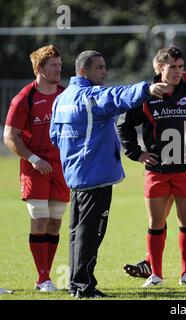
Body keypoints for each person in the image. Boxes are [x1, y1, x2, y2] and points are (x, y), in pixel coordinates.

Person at [50, 50, 167, 298]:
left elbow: (54, 136)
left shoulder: (62, 98)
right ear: (84, 71)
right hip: (95, 175)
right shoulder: (90, 96)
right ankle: (84, 287)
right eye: (99, 68)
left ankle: (77, 283)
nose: (105, 72)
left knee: (77, 231)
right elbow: (117, 96)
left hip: (76, 175)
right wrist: (147, 89)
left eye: (105, 67)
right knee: (91, 232)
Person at [116, 46, 186, 287]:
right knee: (156, 223)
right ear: (159, 68)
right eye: (172, 67)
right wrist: (137, 154)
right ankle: (155, 274)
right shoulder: (146, 95)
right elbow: (123, 126)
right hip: (157, 171)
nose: (178, 72)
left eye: (181, 67)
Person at [3, 45, 69, 292]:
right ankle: (43, 278)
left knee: (54, 223)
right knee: (39, 220)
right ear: (39, 69)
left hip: (61, 168)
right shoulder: (24, 98)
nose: (59, 69)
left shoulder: (65, 95)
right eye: (54, 65)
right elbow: (10, 136)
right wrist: (31, 158)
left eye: (60, 65)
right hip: (35, 167)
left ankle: (47, 276)